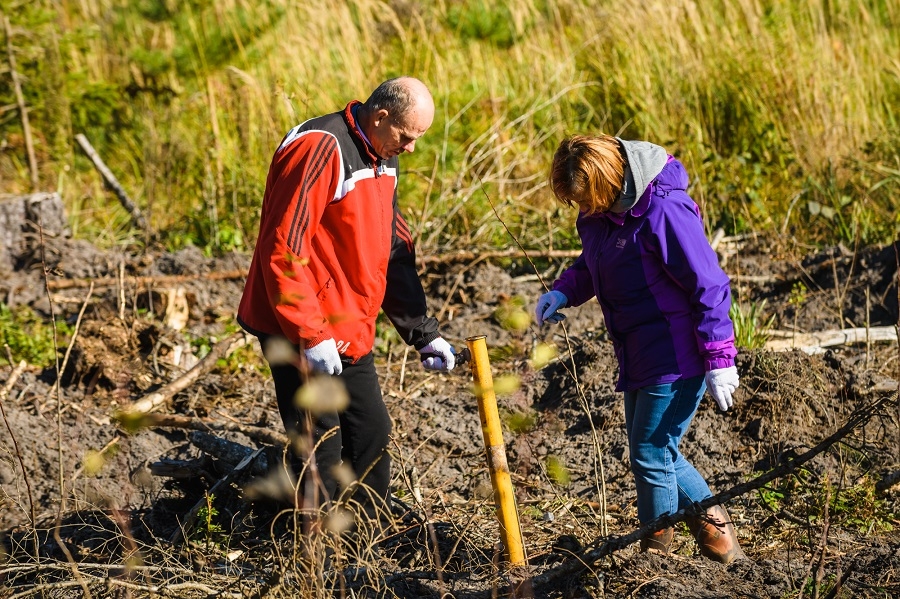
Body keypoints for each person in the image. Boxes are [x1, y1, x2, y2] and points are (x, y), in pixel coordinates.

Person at [237, 76, 456, 535]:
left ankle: (369, 548)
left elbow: (392, 248)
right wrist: (311, 334)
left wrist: (423, 331)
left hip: (347, 326)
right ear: (380, 118)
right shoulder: (320, 149)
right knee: (322, 444)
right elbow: (284, 251)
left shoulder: (383, 155)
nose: (411, 149)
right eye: (408, 137)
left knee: (372, 433)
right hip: (296, 325)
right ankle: (316, 559)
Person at [534, 134, 746, 564]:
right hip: (637, 350)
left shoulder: (664, 210)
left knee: (650, 454)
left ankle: (655, 556)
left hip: (676, 351)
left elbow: (708, 283)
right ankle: (720, 541)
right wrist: (564, 292)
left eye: (588, 199)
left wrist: (719, 357)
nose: (583, 209)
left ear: (611, 182)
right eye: (577, 202)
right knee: (658, 451)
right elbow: (597, 263)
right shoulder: (599, 215)